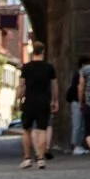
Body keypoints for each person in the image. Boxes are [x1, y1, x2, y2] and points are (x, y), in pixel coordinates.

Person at [16, 41, 58, 169]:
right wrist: (55, 101)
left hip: (29, 102)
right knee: (42, 129)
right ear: (43, 51)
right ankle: (40, 158)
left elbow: (21, 86)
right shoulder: (49, 67)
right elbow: (54, 86)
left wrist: (17, 100)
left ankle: (27, 158)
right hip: (44, 101)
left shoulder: (26, 67)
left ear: (32, 51)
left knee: (26, 130)